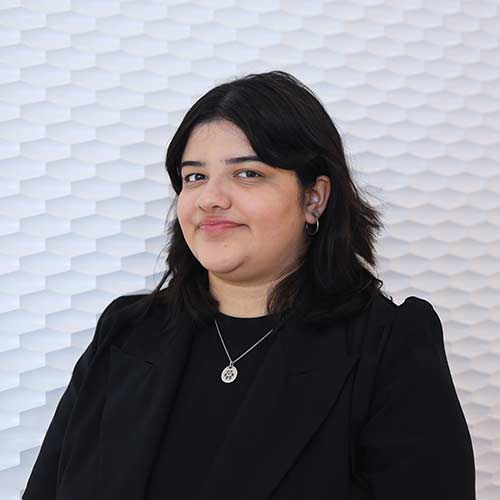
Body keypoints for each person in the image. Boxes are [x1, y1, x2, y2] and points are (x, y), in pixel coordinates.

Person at [22, 70, 476, 500]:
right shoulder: (126, 332)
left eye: (248, 173)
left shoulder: (388, 345)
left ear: (314, 197)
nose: (211, 198)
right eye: (194, 176)